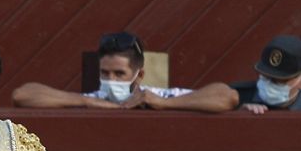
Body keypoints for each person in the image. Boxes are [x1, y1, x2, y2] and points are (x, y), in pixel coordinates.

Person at [13, 31, 239, 112]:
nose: (110, 80)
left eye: (119, 74)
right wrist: (88, 102)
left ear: (139, 75)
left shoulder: (160, 97)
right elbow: (22, 95)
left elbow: (227, 96)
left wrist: (164, 104)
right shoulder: (92, 99)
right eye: (105, 73)